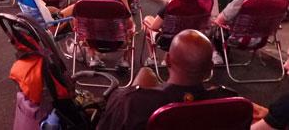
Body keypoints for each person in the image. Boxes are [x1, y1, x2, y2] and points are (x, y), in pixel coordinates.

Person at [98, 29, 236, 130]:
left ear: (168, 60)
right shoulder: (230, 102)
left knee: (145, 74)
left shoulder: (131, 102)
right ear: (209, 68)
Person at [61, 0, 133, 68]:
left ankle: (93, 57)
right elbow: (130, 25)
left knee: (85, 30)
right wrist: (124, 0)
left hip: (90, 42)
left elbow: (76, 26)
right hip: (117, 43)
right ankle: (123, 60)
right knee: (131, 29)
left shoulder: (81, 5)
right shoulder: (118, 5)